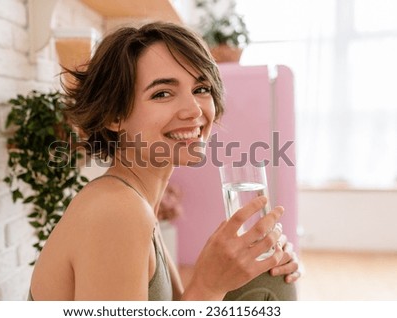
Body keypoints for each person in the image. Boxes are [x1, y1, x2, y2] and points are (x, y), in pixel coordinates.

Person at [28, 21, 300, 301]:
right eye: (162, 93)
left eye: (201, 88)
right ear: (114, 116)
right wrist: (208, 286)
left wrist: (253, 262)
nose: (193, 110)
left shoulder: (137, 202)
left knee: (267, 278)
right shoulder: (115, 212)